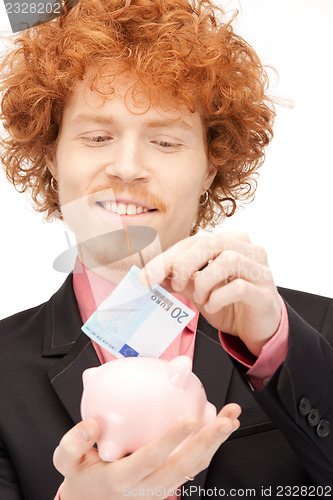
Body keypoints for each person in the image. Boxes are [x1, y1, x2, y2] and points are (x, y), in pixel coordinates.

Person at [0, 0, 332, 499]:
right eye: (96, 136)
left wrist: (276, 351)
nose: (127, 167)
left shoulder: (320, 332)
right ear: (51, 155)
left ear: (210, 168)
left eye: (166, 142)